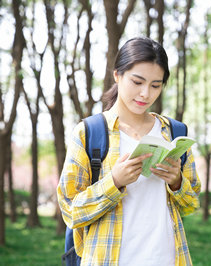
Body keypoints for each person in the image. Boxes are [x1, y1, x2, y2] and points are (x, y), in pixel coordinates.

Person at [57, 37, 201, 266]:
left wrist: (176, 182)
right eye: (137, 82)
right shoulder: (89, 132)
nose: (145, 93)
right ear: (117, 75)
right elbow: (71, 211)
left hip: (166, 259)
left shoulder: (173, 132)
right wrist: (114, 182)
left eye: (156, 85)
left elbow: (191, 204)